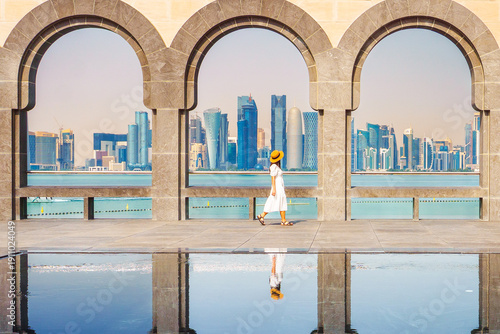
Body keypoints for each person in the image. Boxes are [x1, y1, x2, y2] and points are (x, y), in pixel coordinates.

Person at [257, 150, 293, 226]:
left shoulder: (276, 166)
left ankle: (282, 220)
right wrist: (274, 189)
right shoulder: (274, 167)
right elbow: (273, 178)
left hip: (279, 187)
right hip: (277, 188)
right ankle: (262, 215)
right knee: (275, 201)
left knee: (279, 201)